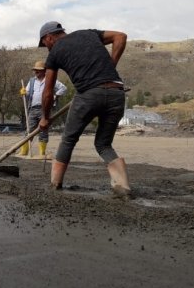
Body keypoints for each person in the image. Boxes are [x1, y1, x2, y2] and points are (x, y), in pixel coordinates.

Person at [37, 21, 132, 198]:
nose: (46, 48)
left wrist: (45, 117)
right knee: (103, 144)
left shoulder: (55, 52)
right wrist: (111, 66)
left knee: (68, 140)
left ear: (49, 37)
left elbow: (48, 91)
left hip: (88, 95)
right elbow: (121, 36)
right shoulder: (89, 34)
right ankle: (123, 187)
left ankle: (55, 184)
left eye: (45, 44)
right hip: (117, 93)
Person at [17, 60, 67, 159]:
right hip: (32, 108)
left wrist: (55, 96)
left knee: (43, 131)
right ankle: (24, 151)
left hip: (45, 109)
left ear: (44, 71)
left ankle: (41, 153)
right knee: (29, 129)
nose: (36, 72)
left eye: (38, 70)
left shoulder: (51, 80)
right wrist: (24, 92)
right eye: (35, 70)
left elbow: (63, 88)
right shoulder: (31, 81)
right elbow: (27, 92)